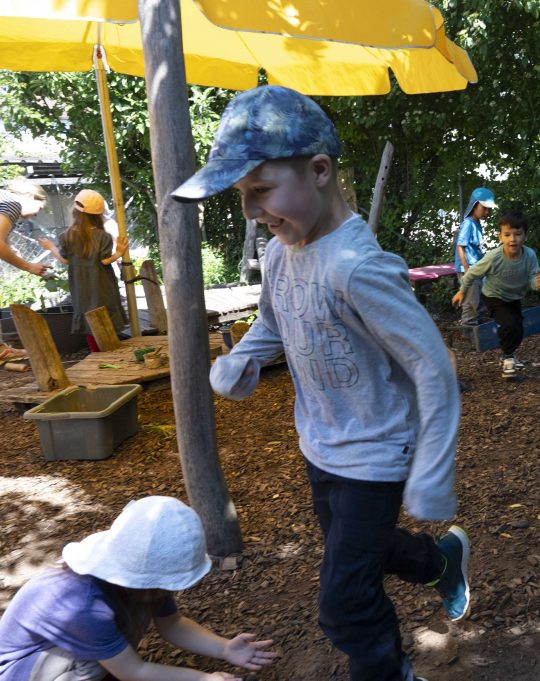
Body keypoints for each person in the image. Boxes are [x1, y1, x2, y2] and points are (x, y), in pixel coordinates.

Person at [171, 85, 469, 681]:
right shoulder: (282, 254)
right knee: (360, 550)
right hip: (321, 444)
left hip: (376, 454)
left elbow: (433, 366)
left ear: (319, 170)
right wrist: (243, 359)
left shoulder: (359, 268)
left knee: (345, 605)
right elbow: (273, 320)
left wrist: (433, 469)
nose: (250, 211)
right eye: (241, 195)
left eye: (261, 190)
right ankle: (440, 561)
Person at [0, 496, 278, 681]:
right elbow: (133, 670)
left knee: (101, 657)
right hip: (22, 670)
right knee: (91, 664)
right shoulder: (82, 604)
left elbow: (173, 623)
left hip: (76, 654)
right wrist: (202, 678)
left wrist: (224, 648)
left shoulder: (143, 577)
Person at [451, 210, 540, 380]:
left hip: (514, 296)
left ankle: (507, 355)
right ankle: (508, 359)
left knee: (518, 330)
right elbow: (472, 274)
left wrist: (537, 283)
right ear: (500, 237)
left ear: (525, 236)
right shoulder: (493, 257)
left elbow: (534, 276)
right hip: (494, 296)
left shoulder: (529, 255)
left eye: (517, 234)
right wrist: (462, 291)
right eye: (507, 235)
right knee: (509, 324)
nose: (512, 239)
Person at [40, 189, 128, 352]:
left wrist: (51, 247)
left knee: (88, 319)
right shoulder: (102, 236)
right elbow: (104, 260)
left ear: (75, 212)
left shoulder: (66, 236)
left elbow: (65, 260)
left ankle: (96, 353)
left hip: (80, 287)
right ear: (98, 215)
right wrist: (119, 253)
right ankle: (110, 351)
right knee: (105, 317)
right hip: (101, 284)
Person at [453, 187, 496, 326]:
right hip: (468, 268)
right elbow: (460, 246)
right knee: (470, 300)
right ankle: (468, 326)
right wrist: (467, 270)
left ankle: (480, 324)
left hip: (477, 267)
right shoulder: (468, 223)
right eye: (484, 208)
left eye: (489, 209)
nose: (487, 212)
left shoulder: (477, 223)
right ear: (474, 205)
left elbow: (475, 248)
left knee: (480, 296)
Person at [0, 177, 49, 277]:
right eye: (39, 208)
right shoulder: (13, 205)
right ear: (30, 196)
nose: (36, 214)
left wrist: (10, 248)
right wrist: (29, 267)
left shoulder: (4, 199)